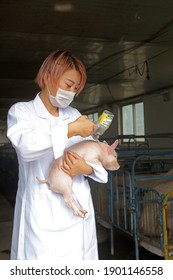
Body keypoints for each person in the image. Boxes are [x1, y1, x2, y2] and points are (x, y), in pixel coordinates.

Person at [7, 50, 108, 260]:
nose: (71, 93)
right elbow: (26, 147)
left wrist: (87, 169)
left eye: (76, 88)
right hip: (41, 216)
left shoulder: (75, 115)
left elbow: (96, 154)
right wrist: (70, 129)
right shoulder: (22, 112)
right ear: (47, 77)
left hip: (77, 212)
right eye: (68, 84)